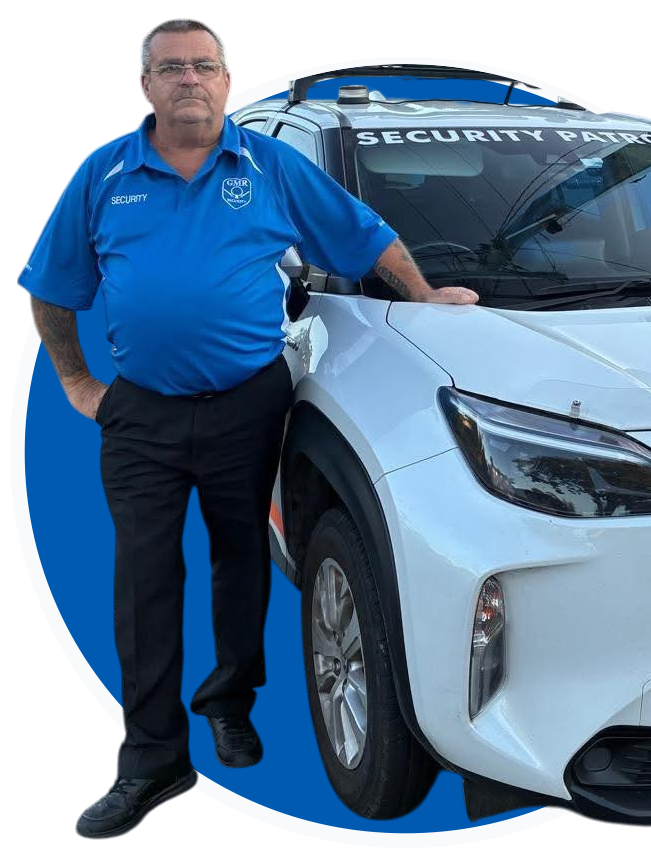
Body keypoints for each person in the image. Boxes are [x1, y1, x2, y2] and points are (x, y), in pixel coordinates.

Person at [19, 19, 479, 839]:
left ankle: (230, 703)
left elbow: (365, 236)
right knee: (144, 580)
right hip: (143, 414)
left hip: (248, 403)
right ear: (147, 85)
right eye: (171, 67)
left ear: (225, 82)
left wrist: (425, 298)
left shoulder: (268, 165)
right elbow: (53, 286)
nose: (188, 78)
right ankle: (153, 758)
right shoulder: (104, 176)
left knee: (242, 559)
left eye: (203, 65)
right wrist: (77, 381)